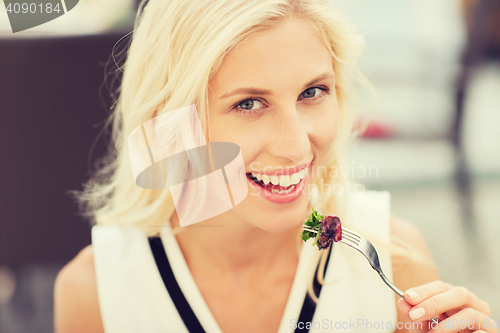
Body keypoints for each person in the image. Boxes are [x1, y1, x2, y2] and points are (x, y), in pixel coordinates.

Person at [53, 0, 495, 332]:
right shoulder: (96, 292)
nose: (296, 145)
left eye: (312, 92)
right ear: (170, 123)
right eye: (249, 103)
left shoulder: (394, 262)